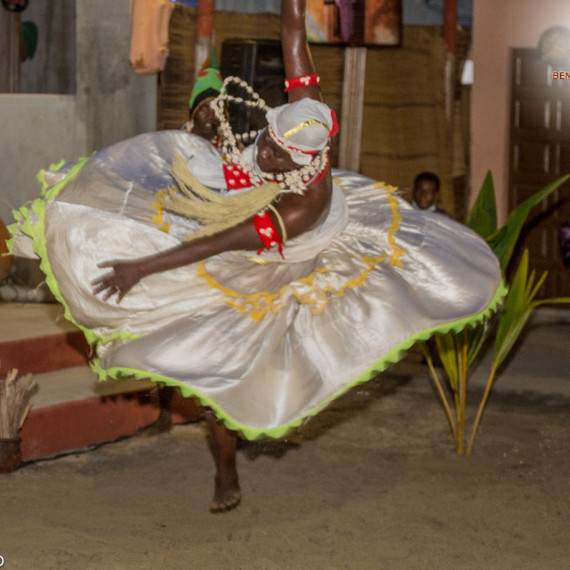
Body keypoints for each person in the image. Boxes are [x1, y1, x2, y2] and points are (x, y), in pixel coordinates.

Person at [9, 0, 503, 513]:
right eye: (266, 141)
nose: (264, 152)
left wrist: (142, 269)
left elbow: (220, 243)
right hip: (239, 198)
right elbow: (294, 25)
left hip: (281, 256)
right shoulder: (303, 105)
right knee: (164, 185)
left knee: (226, 365)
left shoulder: (301, 207)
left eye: (275, 154)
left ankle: (226, 469)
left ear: (305, 160)